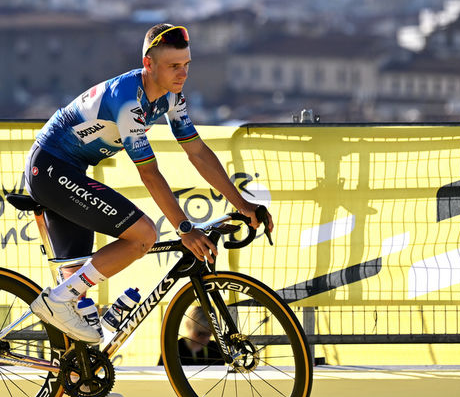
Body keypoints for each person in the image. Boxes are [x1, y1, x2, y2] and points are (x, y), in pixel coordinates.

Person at [24, 23, 274, 352]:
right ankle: (56, 300)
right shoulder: (128, 101)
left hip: (70, 170)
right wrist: (184, 228)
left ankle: (72, 382)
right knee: (143, 235)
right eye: (173, 66)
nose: (182, 74)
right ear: (149, 65)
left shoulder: (171, 96)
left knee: (77, 298)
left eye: (186, 65)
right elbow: (150, 174)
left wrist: (243, 205)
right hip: (52, 169)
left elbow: (197, 152)